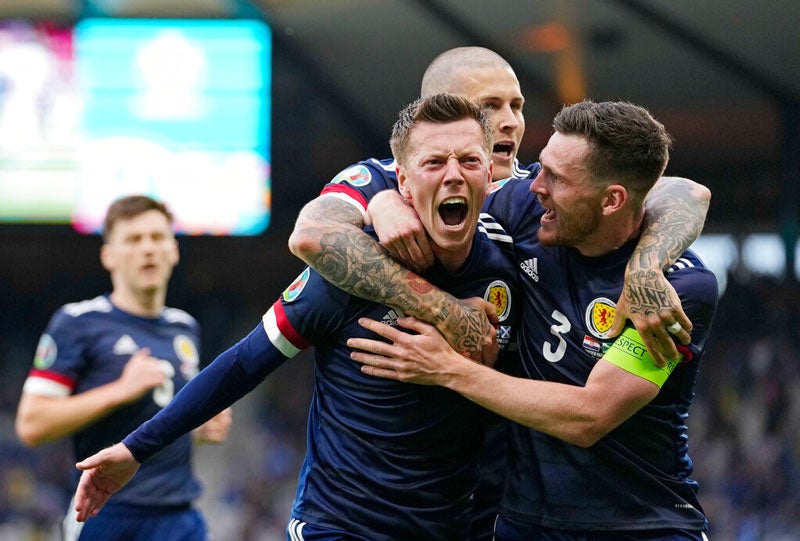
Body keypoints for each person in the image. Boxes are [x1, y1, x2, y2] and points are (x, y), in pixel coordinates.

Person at [72, 94, 522, 541]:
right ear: (401, 181)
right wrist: (136, 448)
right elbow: (244, 363)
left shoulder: (509, 269)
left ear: (489, 173)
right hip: (340, 528)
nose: (453, 176)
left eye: (468, 160)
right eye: (434, 163)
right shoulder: (352, 270)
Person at [349, 100, 719, 540]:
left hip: (642, 524)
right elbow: (324, 229)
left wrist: (447, 369)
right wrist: (386, 200)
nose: (534, 185)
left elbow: (588, 416)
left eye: (555, 179)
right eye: (540, 168)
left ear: (612, 200)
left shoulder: (677, 291)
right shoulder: (528, 216)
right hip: (524, 525)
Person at [292, 45, 709, 369]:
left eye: (517, 105)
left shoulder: (539, 192)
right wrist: (382, 203)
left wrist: (646, 267)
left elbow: (685, 193)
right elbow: (311, 235)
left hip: (506, 452)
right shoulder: (385, 177)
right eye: (489, 106)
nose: (510, 120)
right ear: (444, 112)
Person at [15, 195, 232, 541]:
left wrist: (199, 429)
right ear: (109, 256)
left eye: (157, 238)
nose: (148, 248)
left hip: (180, 515)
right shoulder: (77, 322)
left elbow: (158, 418)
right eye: (133, 239)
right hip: (106, 513)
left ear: (173, 251)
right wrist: (120, 390)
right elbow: (31, 424)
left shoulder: (184, 327)